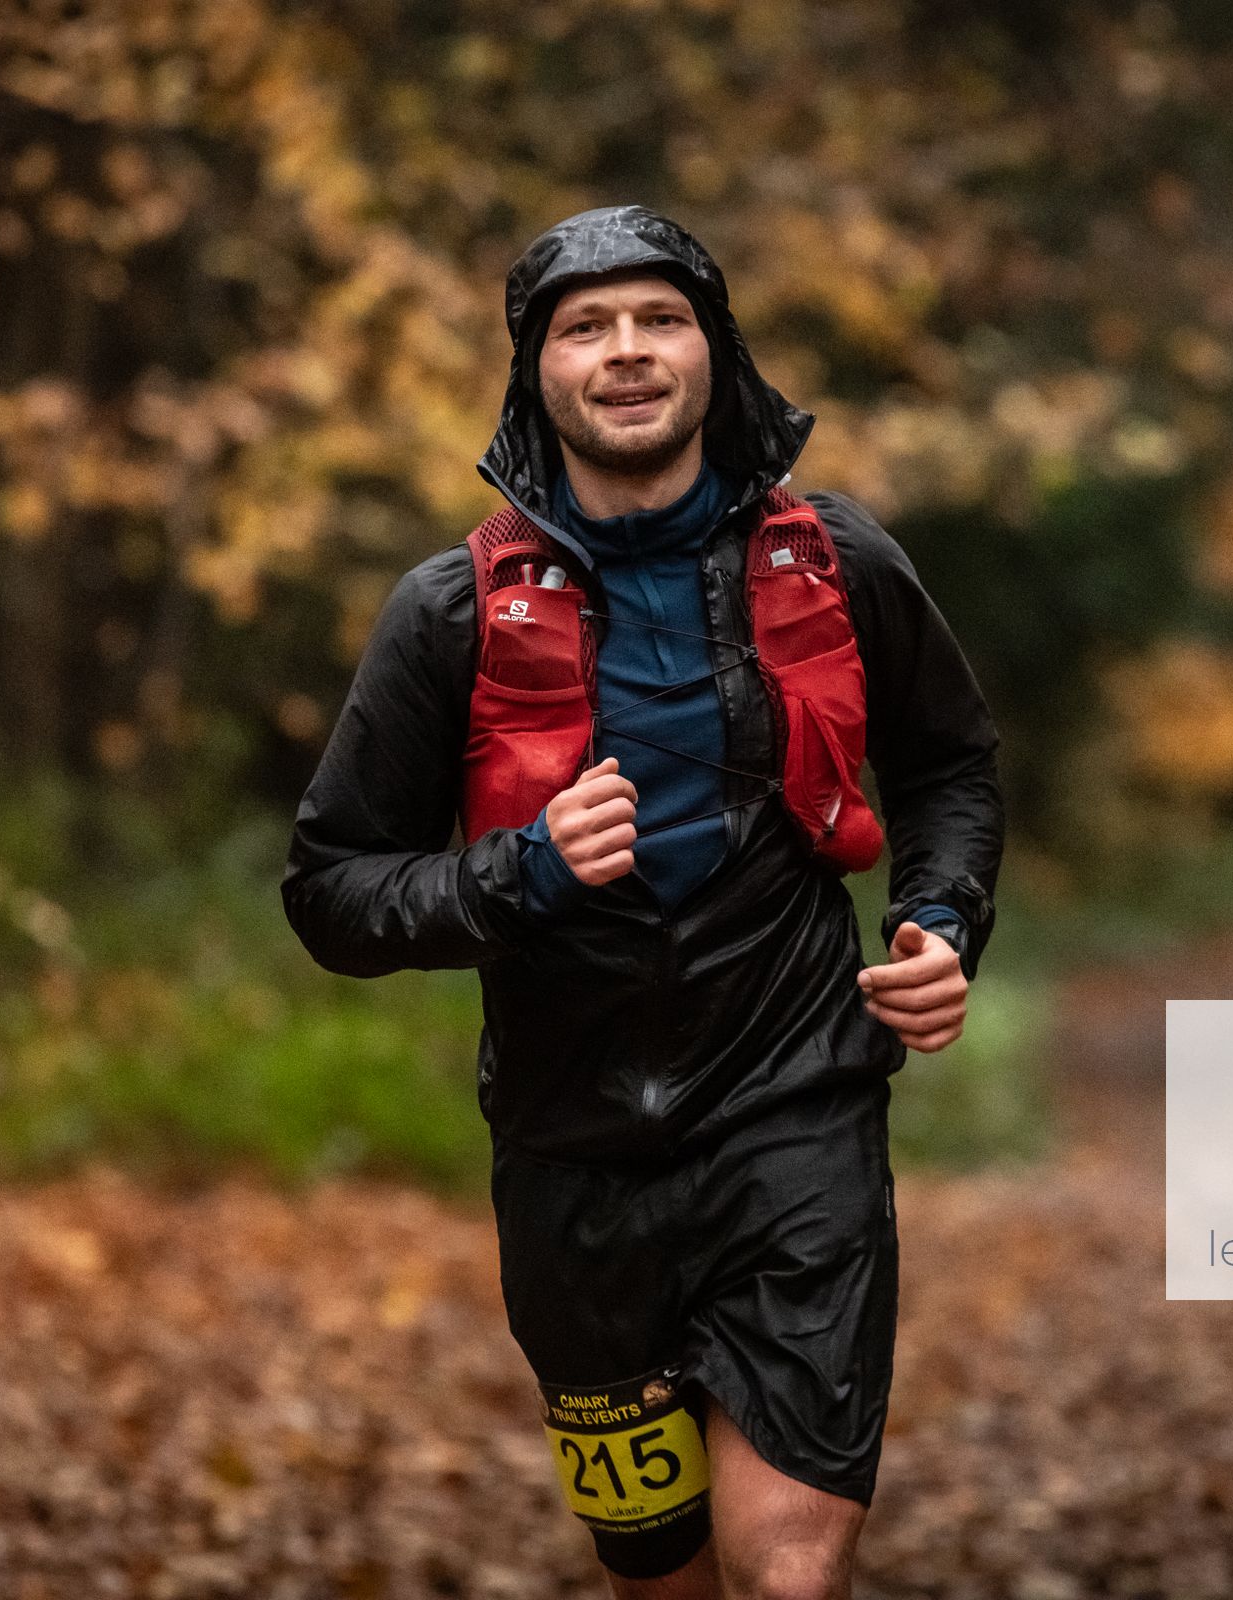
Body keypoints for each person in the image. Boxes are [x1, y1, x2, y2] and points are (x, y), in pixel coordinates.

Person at [282, 205, 1003, 1600]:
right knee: (660, 1582)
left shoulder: (839, 560)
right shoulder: (449, 612)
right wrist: (525, 869)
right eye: (586, 328)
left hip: (796, 1108)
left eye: (661, 319)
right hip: (573, 1159)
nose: (627, 351)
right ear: (535, 370)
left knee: (788, 1570)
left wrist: (944, 920)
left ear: (714, 353)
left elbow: (951, 765)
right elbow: (332, 891)